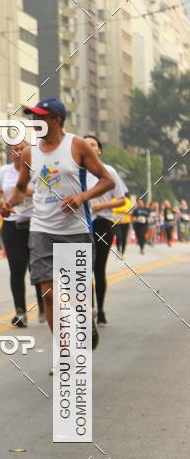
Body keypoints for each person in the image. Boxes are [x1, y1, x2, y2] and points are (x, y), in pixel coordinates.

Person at [1, 98, 114, 367]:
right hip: (41, 230)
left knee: (74, 298)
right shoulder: (29, 153)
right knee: (48, 294)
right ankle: (63, 353)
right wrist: (8, 204)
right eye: (31, 117)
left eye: (39, 117)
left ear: (56, 120)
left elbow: (106, 180)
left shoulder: (77, 145)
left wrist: (81, 197)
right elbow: (20, 186)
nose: (33, 122)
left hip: (75, 230)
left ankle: (85, 320)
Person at [0, 144, 45, 327]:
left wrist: (22, 190)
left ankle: (43, 306)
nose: (20, 152)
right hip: (11, 223)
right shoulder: (4, 171)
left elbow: (44, 190)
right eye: (15, 149)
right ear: (11, 154)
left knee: (37, 267)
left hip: (35, 222)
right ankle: (20, 311)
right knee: (16, 267)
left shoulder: (38, 168)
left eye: (23, 148)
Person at [83, 135, 127, 326]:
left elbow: (122, 199)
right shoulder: (77, 171)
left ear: (99, 150)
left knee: (97, 269)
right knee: (82, 270)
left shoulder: (108, 171)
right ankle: (88, 309)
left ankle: (100, 310)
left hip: (102, 223)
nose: (89, 147)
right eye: (85, 144)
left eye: (93, 145)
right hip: (81, 224)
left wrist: (101, 206)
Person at [112, 190, 133, 255]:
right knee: (119, 236)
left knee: (124, 238)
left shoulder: (128, 201)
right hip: (116, 222)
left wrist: (128, 211)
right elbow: (112, 209)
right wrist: (123, 211)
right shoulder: (113, 200)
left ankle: (122, 252)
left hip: (126, 222)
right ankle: (118, 250)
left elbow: (131, 211)